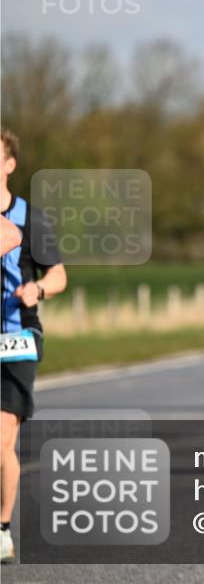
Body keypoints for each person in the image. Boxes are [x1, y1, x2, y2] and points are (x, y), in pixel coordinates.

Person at [1, 128, 67, 564]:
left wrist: (37, 291)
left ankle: (2, 529)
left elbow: (58, 275)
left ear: (9, 164)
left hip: (17, 338)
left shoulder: (29, 218)